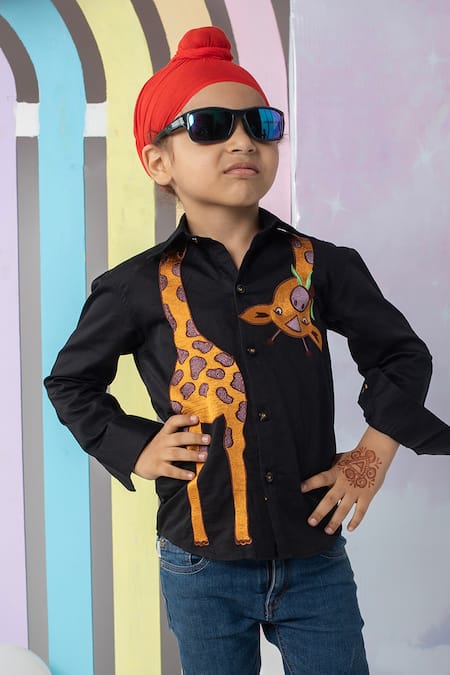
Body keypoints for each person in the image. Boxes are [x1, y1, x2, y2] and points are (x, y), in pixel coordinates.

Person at [44, 26, 450, 675]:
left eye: (260, 124)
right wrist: (135, 446)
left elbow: (402, 354)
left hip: (314, 559)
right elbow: (70, 381)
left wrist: (372, 455)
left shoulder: (323, 266)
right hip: (200, 564)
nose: (242, 141)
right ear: (158, 162)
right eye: (209, 125)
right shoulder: (133, 288)